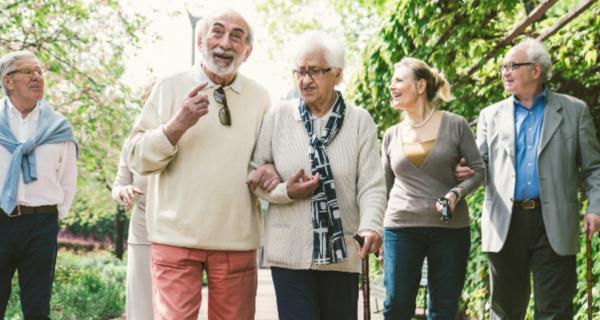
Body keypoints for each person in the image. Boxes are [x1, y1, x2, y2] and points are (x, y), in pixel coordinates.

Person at [127, 9, 271, 320]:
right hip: (175, 239)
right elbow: (136, 157)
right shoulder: (168, 87)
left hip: (237, 240)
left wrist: (270, 169)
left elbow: (266, 161)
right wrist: (177, 124)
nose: (225, 42)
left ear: (248, 50)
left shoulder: (260, 98)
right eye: (217, 32)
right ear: (200, 40)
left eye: (237, 36)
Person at [456, 38, 600, 319]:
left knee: (556, 310)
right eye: (503, 67)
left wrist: (595, 206)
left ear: (536, 70)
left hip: (555, 221)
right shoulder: (490, 115)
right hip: (505, 222)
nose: (505, 72)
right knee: (505, 310)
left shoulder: (574, 110)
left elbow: (594, 168)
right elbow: (479, 166)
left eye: (512, 66)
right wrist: (464, 174)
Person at [247, 31, 386, 320]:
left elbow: (371, 185)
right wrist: (287, 191)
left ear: (337, 74)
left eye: (314, 71)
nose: (305, 80)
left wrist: (371, 226)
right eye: (299, 71)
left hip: (344, 252)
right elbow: (255, 176)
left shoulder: (359, 121)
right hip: (290, 251)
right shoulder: (279, 116)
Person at [381, 57, 485, 319]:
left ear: (419, 86)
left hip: (450, 229)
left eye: (398, 80)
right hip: (401, 227)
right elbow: (384, 187)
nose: (391, 86)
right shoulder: (392, 134)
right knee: (396, 305)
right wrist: (377, 231)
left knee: (443, 309)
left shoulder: (455, 124)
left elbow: (479, 172)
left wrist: (456, 193)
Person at [0, 50, 77, 319]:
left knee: (37, 307)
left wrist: (56, 216)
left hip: (40, 223)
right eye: (27, 72)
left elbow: (68, 177)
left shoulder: (58, 127)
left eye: (39, 72)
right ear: (8, 81)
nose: (37, 77)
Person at [111, 81, 154, 320]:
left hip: (179, 230)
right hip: (142, 229)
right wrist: (123, 191)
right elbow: (117, 185)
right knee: (141, 304)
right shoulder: (133, 143)